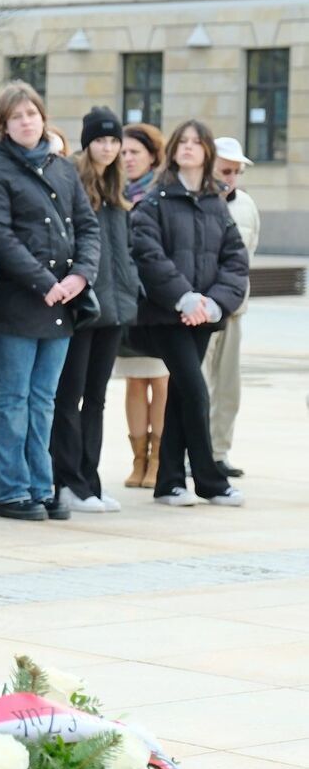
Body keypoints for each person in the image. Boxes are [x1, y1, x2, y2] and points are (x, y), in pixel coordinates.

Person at [0, 81, 101, 521]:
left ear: (43, 118)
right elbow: (0, 236)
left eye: (31, 114)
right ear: (4, 126)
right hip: (18, 305)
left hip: (63, 304)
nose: (26, 122)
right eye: (17, 117)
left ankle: (42, 484)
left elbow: (88, 227)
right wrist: (43, 281)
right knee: (12, 399)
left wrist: (80, 276)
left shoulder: (63, 167)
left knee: (44, 399)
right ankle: (11, 491)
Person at [129, 119, 247, 507]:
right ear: (174, 149)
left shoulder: (216, 203)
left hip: (203, 317)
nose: (190, 147)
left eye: (198, 142)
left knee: (182, 393)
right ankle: (210, 480)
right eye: (184, 141)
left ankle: (169, 482)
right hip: (165, 316)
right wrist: (183, 297)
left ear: (207, 151)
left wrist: (214, 302)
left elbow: (234, 258)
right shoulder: (155, 199)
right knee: (196, 393)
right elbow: (147, 253)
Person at [50, 108, 142, 514]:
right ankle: (67, 480)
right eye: (100, 139)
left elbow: (125, 253)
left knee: (97, 398)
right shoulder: (74, 180)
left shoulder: (118, 187)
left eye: (113, 140)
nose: (108, 146)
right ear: (87, 143)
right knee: (69, 396)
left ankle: (90, 479)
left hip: (115, 308)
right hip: (83, 307)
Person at [116, 121, 170, 488]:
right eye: (123, 152)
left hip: (160, 300)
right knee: (134, 381)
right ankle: (138, 460)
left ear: (153, 156)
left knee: (161, 381)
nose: (128, 158)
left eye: (135, 152)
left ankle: (158, 460)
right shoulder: (114, 191)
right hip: (127, 300)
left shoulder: (162, 193)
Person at [203, 136, 259, 479]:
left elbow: (248, 253)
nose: (231, 177)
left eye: (237, 171)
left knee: (228, 386)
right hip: (202, 310)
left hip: (234, 310)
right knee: (199, 385)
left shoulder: (247, 205)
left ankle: (218, 451)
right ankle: (192, 454)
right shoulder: (197, 203)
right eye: (226, 170)